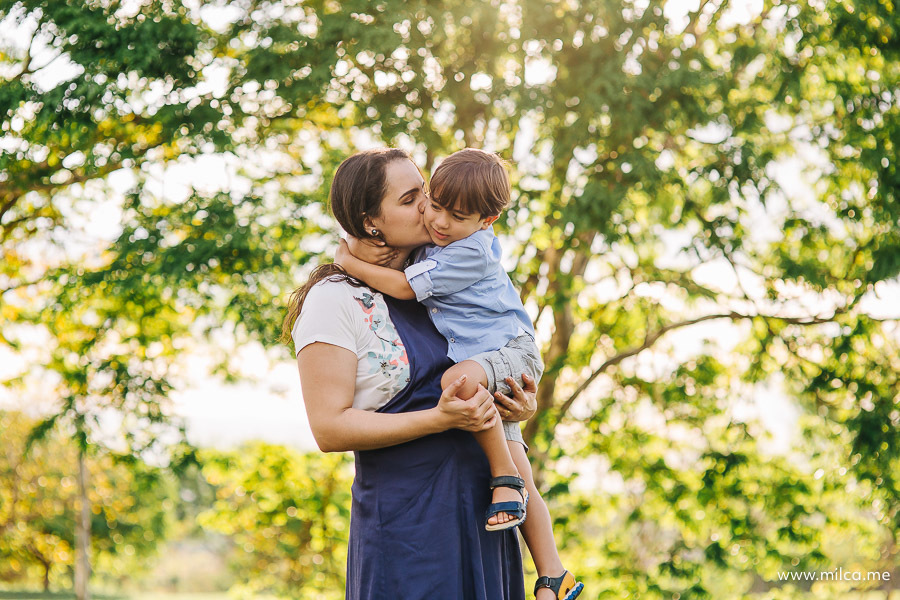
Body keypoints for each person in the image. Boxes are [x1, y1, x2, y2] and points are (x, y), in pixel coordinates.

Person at [281, 148, 534, 599]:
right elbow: (329, 428)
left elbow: (492, 352)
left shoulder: (440, 281)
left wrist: (517, 399)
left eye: (425, 191)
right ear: (370, 221)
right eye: (410, 198)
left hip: (485, 517)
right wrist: (439, 420)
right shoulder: (335, 300)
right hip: (410, 528)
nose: (427, 206)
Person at [335, 149, 584, 600]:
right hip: (484, 369)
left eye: (455, 213)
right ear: (371, 220)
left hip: (504, 354)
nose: (438, 219)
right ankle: (552, 576)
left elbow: (407, 288)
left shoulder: (464, 252)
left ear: (486, 221)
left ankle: (502, 477)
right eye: (427, 201)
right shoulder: (433, 247)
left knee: (460, 386)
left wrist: (348, 261)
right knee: (525, 474)